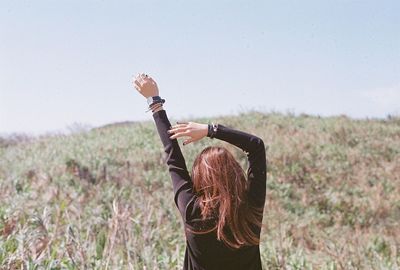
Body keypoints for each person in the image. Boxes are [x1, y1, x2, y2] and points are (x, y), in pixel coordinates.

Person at [133, 73, 267, 270]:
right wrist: (210, 130)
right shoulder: (250, 207)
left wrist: (155, 103)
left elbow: (174, 158)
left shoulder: (192, 209)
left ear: (198, 178)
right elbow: (256, 146)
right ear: (236, 174)